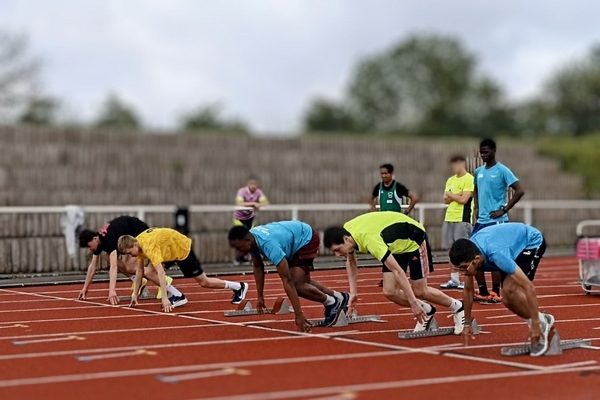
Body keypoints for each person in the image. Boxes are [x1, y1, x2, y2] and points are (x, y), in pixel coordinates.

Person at [323, 212, 465, 334]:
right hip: (395, 246)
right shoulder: (346, 232)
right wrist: (353, 293)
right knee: (390, 291)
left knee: (420, 291)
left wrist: (413, 302)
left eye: (337, 250)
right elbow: (351, 262)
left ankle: (457, 307)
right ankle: (427, 311)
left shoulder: (371, 241)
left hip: (414, 239)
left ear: (346, 239)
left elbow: (398, 271)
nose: (337, 255)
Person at [449, 222, 553, 356]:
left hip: (530, 242)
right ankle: (545, 319)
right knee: (507, 300)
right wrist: (467, 323)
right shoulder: (471, 255)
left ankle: (540, 323)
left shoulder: (497, 255)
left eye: (464, 268)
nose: (463, 272)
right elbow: (468, 290)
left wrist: (535, 324)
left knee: (510, 290)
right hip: (506, 245)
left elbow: (528, 287)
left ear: (476, 259)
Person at [228, 221, 349, 332]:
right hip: (294, 237)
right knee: (302, 280)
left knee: (296, 284)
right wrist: (260, 296)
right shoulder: (252, 238)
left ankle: (331, 303)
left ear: (247, 240)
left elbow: (287, 281)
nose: (238, 252)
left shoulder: (269, 245)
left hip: (306, 238)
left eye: (238, 248)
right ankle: (339, 297)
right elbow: (258, 267)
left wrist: (298, 314)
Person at [118, 227, 248, 312]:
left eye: (130, 253)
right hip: (168, 249)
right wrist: (135, 294)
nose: (131, 256)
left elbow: (161, 272)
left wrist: (164, 298)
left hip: (182, 249)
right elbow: (140, 271)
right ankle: (178, 295)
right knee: (148, 271)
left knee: (204, 282)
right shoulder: (138, 242)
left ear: (134, 244)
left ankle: (239, 286)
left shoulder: (148, 247)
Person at [78, 215, 186, 307]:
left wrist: (111, 290)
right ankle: (139, 279)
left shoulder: (108, 239)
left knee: (134, 268)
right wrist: (85, 288)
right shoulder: (99, 240)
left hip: (140, 233)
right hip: (128, 235)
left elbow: (114, 266)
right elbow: (93, 266)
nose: (89, 249)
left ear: (94, 239)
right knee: (109, 258)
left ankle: (164, 281)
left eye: (88, 246)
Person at [473, 138, 525, 303]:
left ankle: (495, 291)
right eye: (481, 152)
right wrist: (477, 209)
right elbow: (476, 190)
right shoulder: (478, 171)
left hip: (497, 221)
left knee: (495, 255)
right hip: (481, 221)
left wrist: (504, 209)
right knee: (473, 255)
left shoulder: (502, 170)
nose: (483, 155)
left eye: (486, 152)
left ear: (494, 151)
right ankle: (482, 290)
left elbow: (519, 190)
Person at [440, 155, 474, 290]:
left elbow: (464, 200)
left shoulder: (469, 179)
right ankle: (454, 279)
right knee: (451, 250)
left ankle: (467, 279)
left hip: (462, 219)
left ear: (462, 164)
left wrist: (451, 195)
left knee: (464, 251)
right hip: (449, 217)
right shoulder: (450, 180)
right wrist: (456, 195)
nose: (454, 167)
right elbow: (445, 199)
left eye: (456, 164)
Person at [233, 178, 269, 263]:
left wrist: (259, 204)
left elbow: (265, 203)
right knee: (241, 237)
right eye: (251, 185)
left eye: (255, 185)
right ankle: (238, 258)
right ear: (248, 185)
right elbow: (239, 203)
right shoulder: (242, 191)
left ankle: (251, 257)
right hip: (239, 218)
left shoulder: (258, 192)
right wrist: (253, 204)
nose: (253, 187)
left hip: (250, 218)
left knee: (251, 237)